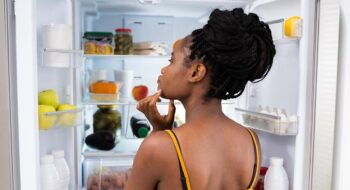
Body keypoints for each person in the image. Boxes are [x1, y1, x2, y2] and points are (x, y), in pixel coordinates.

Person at [125, 8, 275, 190]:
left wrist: (158, 134)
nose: (164, 70)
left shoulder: (158, 147)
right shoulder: (251, 140)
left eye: (172, 60)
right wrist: (162, 132)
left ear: (196, 72)